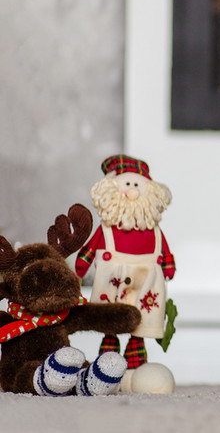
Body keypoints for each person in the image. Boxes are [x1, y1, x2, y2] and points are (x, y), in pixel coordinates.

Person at [75, 154, 176, 387]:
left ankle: (135, 372)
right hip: (112, 279)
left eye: (136, 185)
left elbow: (165, 251)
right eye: (127, 184)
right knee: (110, 323)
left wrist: (167, 265)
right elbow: (90, 248)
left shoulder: (153, 228)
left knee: (140, 325)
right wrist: (82, 265)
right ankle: (105, 372)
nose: (132, 190)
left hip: (147, 282)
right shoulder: (107, 228)